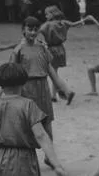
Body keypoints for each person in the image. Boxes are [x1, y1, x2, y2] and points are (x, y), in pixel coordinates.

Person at [9, 17, 73, 153]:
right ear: (23, 30)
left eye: (35, 30)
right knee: (27, 125)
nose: (32, 33)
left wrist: (63, 88)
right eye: (29, 29)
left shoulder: (42, 48)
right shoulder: (18, 50)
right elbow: (12, 74)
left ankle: (49, 156)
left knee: (47, 123)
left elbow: (50, 71)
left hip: (43, 88)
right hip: (27, 89)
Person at [39, 6, 83, 103]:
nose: (45, 16)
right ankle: (53, 95)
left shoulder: (47, 25)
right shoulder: (63, 23)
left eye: (47, 14)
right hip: (61, 49)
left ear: (52, 14)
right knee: (54, 72)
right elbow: (75, 24)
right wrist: (85, 19)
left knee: (52, 73)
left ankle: (67, 91)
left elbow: (39, 32)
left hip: (51, 49)